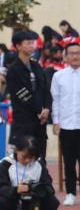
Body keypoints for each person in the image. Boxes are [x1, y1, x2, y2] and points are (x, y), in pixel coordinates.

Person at [50, 42, 80, 206]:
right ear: (65, 56)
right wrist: (56, 121)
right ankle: (70, 193)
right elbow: (56, 100)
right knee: (68, 161)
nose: (75, 56)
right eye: (71, 53)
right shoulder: (58, 76)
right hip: (66, 124)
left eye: (78, 53)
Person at [0, 135, 59, 210]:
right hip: (15, 201)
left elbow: (49, 187)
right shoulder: (6, 164)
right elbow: (1, 187)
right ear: (17, 150)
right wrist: (15, 190)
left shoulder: (39, 163)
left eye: (31, 157)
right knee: (2, 200)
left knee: (52, 201)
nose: (28, 160)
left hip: (35, 202)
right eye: (24, 156)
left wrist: (34, 188)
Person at [5, 30, 50, 159]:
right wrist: (39, 110)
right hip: (23, 122)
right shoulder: (13, 70)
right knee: (23, 160)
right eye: (28, 43)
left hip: (40, 122)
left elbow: (45, 89)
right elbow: (22, 95)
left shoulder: (36, 66)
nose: (32, 46)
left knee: (40, 160)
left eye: (33, 43)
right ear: (18, 46)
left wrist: (47, 108)